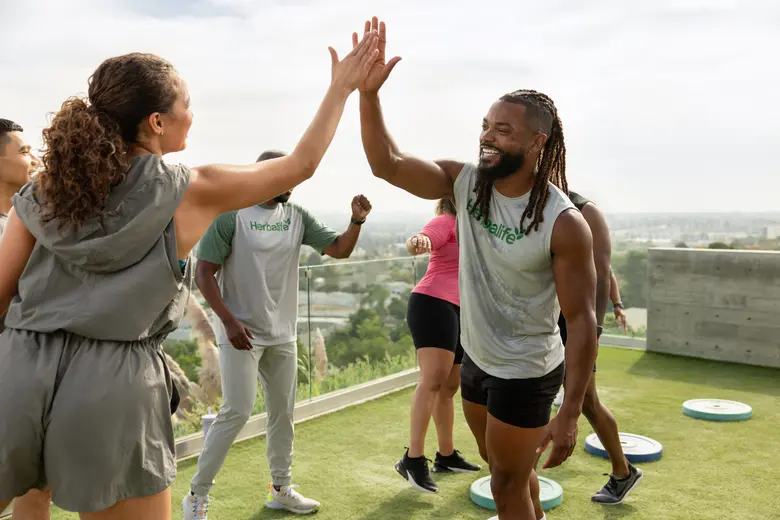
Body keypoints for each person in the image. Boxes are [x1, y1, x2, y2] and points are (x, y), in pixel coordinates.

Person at [0, 32, 380, 520]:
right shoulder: (190, 191)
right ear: (157, 121)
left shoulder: (44, 189)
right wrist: (341, 89)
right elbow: (299, 166)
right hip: (111, 387)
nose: (193, 115)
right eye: (187, 104)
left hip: (18, 370)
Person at [353, 17, 598, 520]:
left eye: (503, 130)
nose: (487, 137)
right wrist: (368, 96)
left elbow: (581, 321)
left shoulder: (564, 223)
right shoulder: (464, 183)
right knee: (505, 469)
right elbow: (388, 163)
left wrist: (571, 412)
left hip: (528, 370)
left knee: (506, 484)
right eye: (485, 125)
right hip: (478, 358)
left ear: (537, 142)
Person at [184, 151, 372, 519]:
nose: (292, 183)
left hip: (282, 333)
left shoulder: (296, 216)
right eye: (285, 176)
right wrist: (229, 322)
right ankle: (196, 495)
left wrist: (356, 221)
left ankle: (281, 488)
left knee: (282, 413)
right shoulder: (231, 215)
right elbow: (204, 274)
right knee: (236, 411)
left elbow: (339, 249)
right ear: (265, 175)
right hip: (239, 331)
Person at [555, 191, 642, 505]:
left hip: (575, 324)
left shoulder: (583, 211)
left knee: (588, 401)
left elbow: (603, 272)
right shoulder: (527, 204)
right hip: (544, 319)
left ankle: (622, 471)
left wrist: (595, 331)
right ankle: (519, 477)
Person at [396, 197, 481, 494]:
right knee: (432, 381)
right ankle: (413, 458)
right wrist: (418, 241)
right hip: (433, 303)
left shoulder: (473, 227)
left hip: (458, 309)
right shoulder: (447, 220)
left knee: (449, 387)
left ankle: (446, 456)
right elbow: (424, 238)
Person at [0, 119, 52, 520]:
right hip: (9, 367)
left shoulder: (39, 219)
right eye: (23, 151)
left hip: (36, 367)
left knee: (37, 483)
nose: (34, 157)